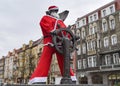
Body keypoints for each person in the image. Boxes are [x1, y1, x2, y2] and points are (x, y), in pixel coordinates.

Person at [28, 5, 77, 84]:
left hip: (60, 42)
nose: (55, 12)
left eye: (56, 11)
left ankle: (70, 78)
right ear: (50, 12)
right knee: (45, 59)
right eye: (54, 11)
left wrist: (71, 37)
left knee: (64, 60)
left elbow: (64, 30)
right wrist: (51, 30)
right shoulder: (45, 18)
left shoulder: (60, 21)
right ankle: (38, 79)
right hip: (49, 40)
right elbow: (44, 24)